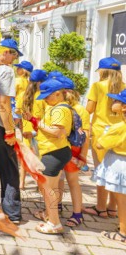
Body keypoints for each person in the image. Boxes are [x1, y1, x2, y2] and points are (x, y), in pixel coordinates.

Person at [84, 57, 124, 219]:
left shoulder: (97, 86)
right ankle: (113, 208)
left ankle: (101, 207)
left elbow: (89, 109)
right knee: (115, 171)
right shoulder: (124, 87)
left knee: (101, 171)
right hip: (120, 132)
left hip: (101, 132)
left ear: (103, 71)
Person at [32, 79, 73, 234]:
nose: (45, 99)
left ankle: (54, 223)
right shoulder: (55, 107)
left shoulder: (59, 110)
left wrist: (38, 123)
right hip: (54, 151)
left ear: (58, 93)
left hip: (54, 152)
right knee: (52, 188)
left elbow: (57, 132)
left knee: (48, 189)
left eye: (47, 96)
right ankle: (50, 217)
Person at [0, 38, 22, 223]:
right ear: (6, 52)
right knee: (9, 169)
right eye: (14, 54)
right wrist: (10, 130)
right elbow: (3, 103)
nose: (14, 59)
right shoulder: (5, 71)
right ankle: (12, 213)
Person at [95, 88, 126, 243]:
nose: (113, 102)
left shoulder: (119, 127)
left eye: (117, 101)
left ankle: (123, 233)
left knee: (122, 200)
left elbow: (100, 144)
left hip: (120, 163)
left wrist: (104, 134)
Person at [56, 76, 88, 227]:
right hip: (59, 147)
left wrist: (83, 155)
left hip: (73, 150)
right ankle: (57, 205)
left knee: (72, 181)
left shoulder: (80, 109)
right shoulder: (59, 106)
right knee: (59, 180)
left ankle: (77, 213)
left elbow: (86, 134)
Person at [20, 69, 48, 187]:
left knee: (24, 159)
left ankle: (21, 183)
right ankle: (39, 184)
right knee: (39, 160)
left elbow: (17, 113)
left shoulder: (22, 95)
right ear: (40, 82)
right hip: (38, 132)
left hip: (25, 132)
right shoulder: (43, 97)